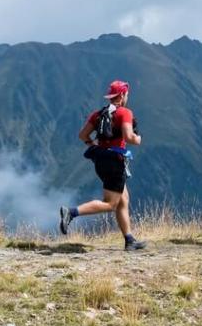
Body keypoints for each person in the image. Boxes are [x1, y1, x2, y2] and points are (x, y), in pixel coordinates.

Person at [59, 79, 145, 251]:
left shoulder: (98, 114)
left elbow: (83, 135)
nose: (127, 97)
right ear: (121, 96)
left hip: (100, 160)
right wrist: (138, 139)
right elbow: (129, 137)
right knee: (110, 204)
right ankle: (71, 212)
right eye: (126, 94)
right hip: (115, 161)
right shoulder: (124, 113)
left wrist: (93, 146)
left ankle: (129, 240)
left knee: (123, 199)